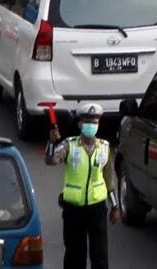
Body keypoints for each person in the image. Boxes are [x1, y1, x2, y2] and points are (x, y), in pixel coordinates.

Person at [45, 102, 116, 269]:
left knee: (100, 255)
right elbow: (50, 160)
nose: (91, 126)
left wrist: (115, 206)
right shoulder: (69, 145)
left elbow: (109, 179)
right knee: (74, 255)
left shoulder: (104, 148)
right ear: (80, 125)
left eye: (95, 122)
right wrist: (51, 142)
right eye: (87, 123)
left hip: (97, 208)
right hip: (73, 209)